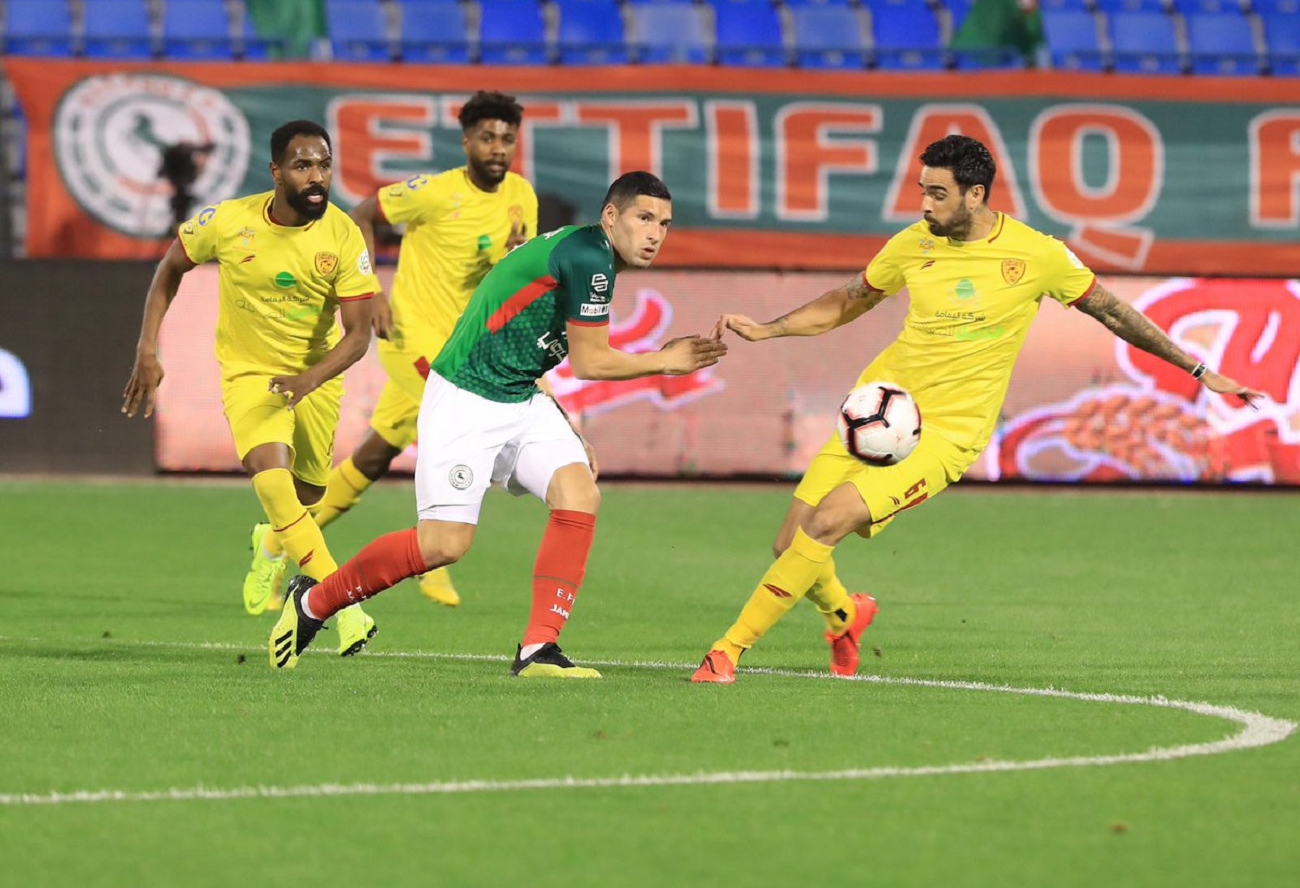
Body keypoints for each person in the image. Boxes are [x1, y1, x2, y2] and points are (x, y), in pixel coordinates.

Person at [691, 134, 1262, 684]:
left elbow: (1112, 312)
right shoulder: (912, 243)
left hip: (944, 435)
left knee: (828, 520)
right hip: (875, 413)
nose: (924, 204)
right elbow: (848, 301)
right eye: (921, 190)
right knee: (790, 544)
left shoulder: (1038, 255)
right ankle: (845, 616)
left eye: (937, 193)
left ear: (976, 194)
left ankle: (726, 651)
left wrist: (1198, 370)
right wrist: (769, 329)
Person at [267, 171, 728, 675]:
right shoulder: (589, 257)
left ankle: (537, 650)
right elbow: (592, 362)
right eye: (644, 218)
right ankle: (313, 602)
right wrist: (667, 360)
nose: (655, 233)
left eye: (664, 223)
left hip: (519, 396)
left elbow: (535, 346)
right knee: (443, 545)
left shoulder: (590, 255)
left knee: (579, 493)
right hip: (467, 397)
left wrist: (566, 424)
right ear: (611, 216)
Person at [243, 91, 538, 614]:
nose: (498, 148)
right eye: (487, 137)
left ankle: (275, 538)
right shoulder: (433, 193)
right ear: (467, 140)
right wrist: (372, 287)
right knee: (469, 426)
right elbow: (360, 213)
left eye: (507, 139)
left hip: (468, 347)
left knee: (374, 457)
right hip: (413, 339)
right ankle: (438, 565)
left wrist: (516, 260)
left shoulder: (522, 196)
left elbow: (517, 273)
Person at [123, 120, 382, 657]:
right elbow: (171, 267)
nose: (317, 177)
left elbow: (358, 338)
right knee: (271, 480)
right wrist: (148, 349)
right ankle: (346, 607)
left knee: (306, 496)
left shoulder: (342, 235)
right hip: (250, 374)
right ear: (276, 172)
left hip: (316, 375)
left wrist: (309, 380)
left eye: (325, 165)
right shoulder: (230, 221)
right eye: (303, 166)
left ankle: (271, 541)